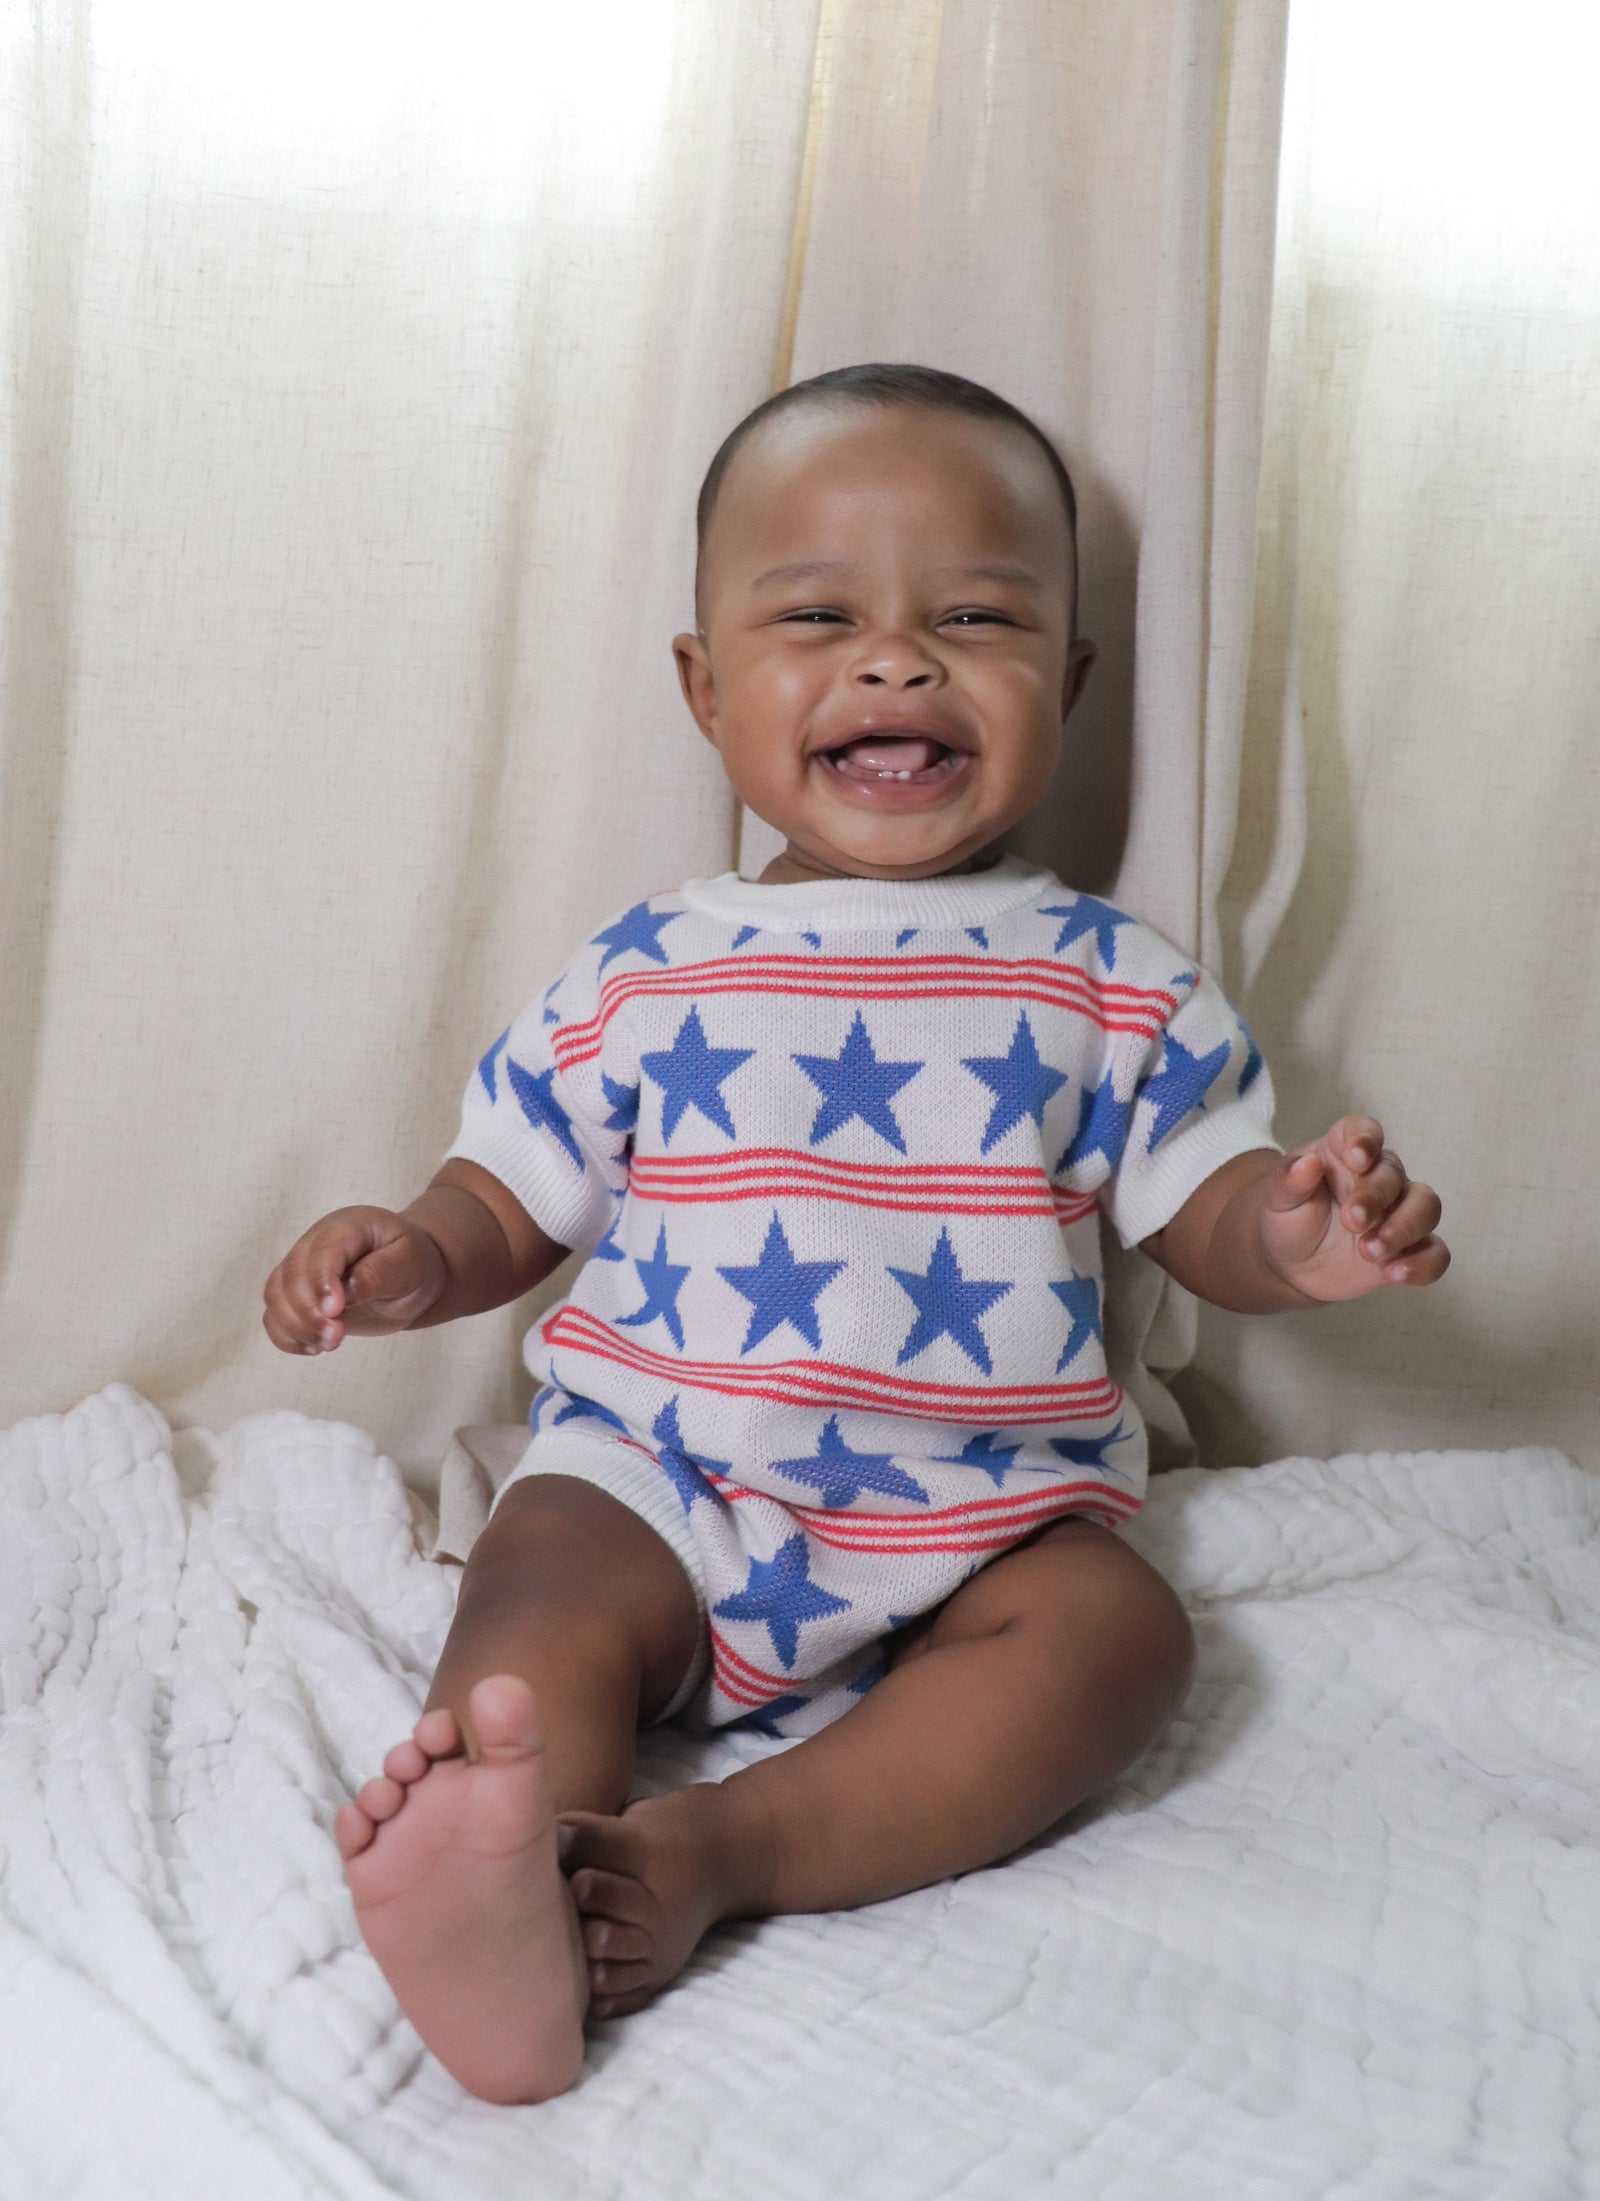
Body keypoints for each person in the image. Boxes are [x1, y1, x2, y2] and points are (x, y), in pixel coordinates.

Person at [263, 365, 1448, 2105]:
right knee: (540, 1585)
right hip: (661, 1476)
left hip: (985, 1514)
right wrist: (416, 1256)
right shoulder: (649, 967)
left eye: (974, 618)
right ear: (706, 687)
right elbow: (511, 1194)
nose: (896, 664)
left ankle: (712, 1852)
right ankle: (521, 1873)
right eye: (819, 617)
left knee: (1119, 1638)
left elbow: (1206, 1201)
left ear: (1070, 684)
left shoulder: (1108, 978)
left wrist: (1295, 1240)